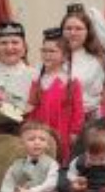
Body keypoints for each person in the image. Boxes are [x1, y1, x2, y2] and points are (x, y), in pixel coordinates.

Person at [26, 28, 84, 162]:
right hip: (39, 132)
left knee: (59, 161)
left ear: (65, 56)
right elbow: (31, 107)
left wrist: (74, 132)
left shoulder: (71, 82)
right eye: (44, 51)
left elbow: (78, 110)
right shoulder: (37, 80)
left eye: (52, 51)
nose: (47, 55)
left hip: (61, 132)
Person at [59, 4, 105, 118]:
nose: (73, 33)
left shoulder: (95, 62)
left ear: (88, 32)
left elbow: (97, 98)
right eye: (68, 28)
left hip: (84, 118)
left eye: (78, 28)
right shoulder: (51, 57)